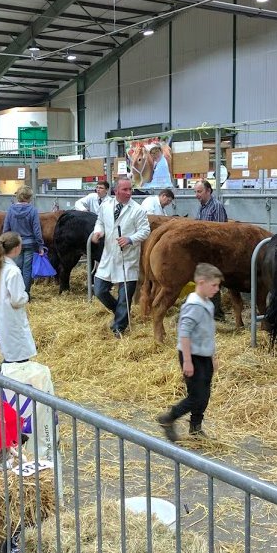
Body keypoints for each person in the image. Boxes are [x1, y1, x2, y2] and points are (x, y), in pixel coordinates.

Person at [157, 263, 223, 442]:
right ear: (201, 282)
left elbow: (207, 333)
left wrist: (211, 356)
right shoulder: (193, 305)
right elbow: (184, 333)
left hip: (204, 356)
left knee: (205, 395)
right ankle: (168, 418)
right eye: (214, 285)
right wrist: (187, 361)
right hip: (192, 356)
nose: (217, 289)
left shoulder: (206, 303)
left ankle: (195, 428)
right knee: (197, 395)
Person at [90, 178, 151, 338]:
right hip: (109, 255)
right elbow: (100, 221)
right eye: (125, 190)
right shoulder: (106, 205)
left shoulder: (137, 210)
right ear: (116, 191)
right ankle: (120, 312)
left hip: (127, 257)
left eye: (130, 189)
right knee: (99, 290)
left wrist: (130, 239)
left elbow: (145, 231)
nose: (129, 193)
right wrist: (98, 232)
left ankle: (119, 328)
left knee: (125, 296)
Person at [0, 232, 37, 363]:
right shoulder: (13, 271)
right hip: (12, 320)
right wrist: (26, 296)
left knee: (9, 353)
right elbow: (17, 300)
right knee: (19, 357)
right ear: (17, 248)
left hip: (2, 318)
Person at [2, 185, 45, 296]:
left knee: (16, 268)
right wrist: (40, 246)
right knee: (27, 270)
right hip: (30, 244)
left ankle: (15, 293)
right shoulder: (33, 210)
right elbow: (37, 230)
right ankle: (25, 294)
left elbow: (6, 228)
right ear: (29, 197)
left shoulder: (11, 209)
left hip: (15, 243)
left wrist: (4, 244)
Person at [194, 179, 227, 320]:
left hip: (214, 251)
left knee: (212, 279)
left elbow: (219, 232)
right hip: (203, 250)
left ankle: (217, 314)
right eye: (195, 192)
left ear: (208, 191)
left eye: (199, 191)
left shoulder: (216, 206)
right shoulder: (202, 207)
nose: (197, 195)